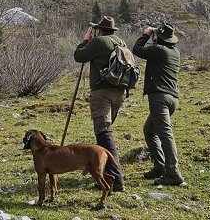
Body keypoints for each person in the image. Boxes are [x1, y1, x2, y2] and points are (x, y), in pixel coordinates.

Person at [73, 15, 126, 192]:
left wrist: (85, 40)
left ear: (100, 30)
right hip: (120, 92)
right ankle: (107, 173)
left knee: (104, 134)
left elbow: (79, 56)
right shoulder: (120, 42)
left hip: (102, 93)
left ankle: (115, 180)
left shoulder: (98, 41)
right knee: (107, 132)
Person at [132, 22, 185, 186]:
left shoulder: (159, 50)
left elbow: (137, 50)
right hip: (172, 98)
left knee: (165, 134)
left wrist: (146, 34)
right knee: (149, 130)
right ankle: (160, 166)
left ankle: (173, 173)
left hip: (159, 98)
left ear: (159, 38)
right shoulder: (175, 52)